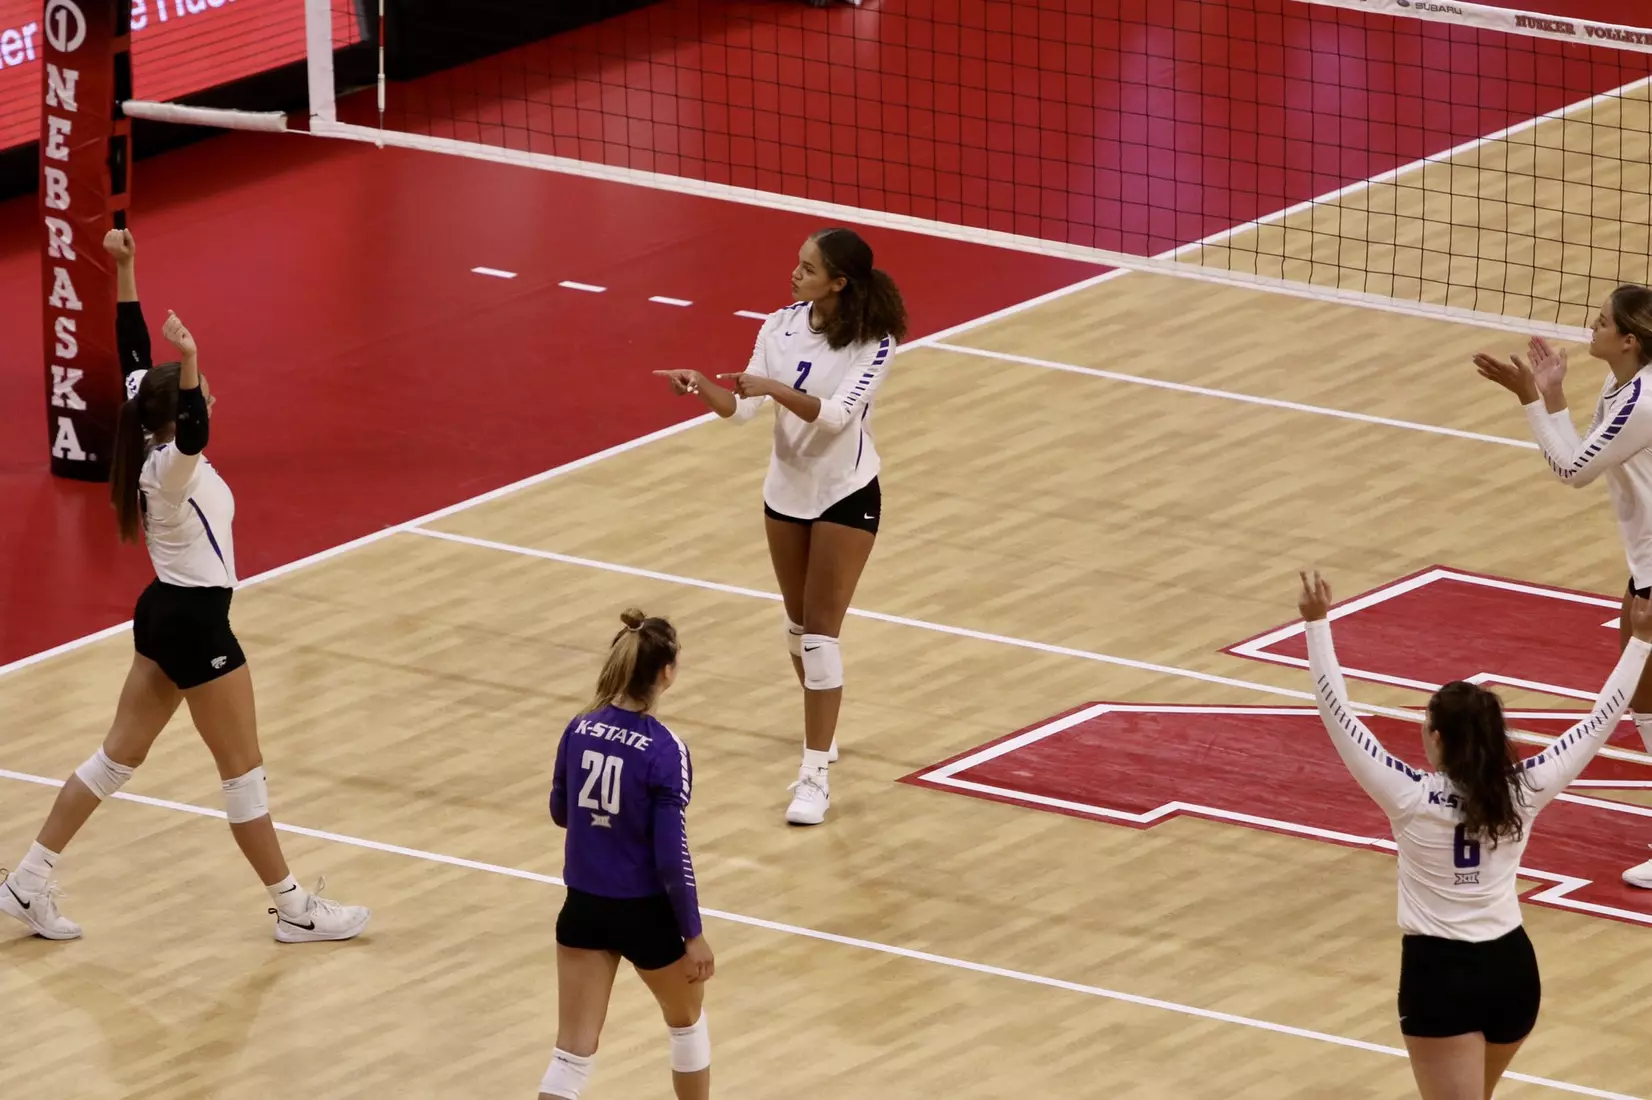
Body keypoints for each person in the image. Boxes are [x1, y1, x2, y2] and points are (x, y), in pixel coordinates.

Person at [0, 226, 369, 944]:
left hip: (161, 615)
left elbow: (133, 354)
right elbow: (194, 423)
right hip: (197, 626)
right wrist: (193, 357)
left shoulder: (146, 432)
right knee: (242, 774)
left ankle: (25, 883)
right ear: (180, 415)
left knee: (115, 759)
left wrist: (127, 268)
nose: (210, 396)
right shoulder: (174, 465)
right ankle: (295, 910)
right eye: (200, 392)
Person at [1298, 570, 1652, 1100]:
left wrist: (1317, 624)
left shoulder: (1409, 796)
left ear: (1436, 739)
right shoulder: (1524, 788)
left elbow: (1338, 714)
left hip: (1441, 977)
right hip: (1512, 971)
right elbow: (1600, 720)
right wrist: (1642, 641)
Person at [653, 227, 908, 826]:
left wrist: (773, 387)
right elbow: (742, 410)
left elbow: (838, 417)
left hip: (845, 494)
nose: (795, 274)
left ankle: (813, 775)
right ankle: (824, 727)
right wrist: (703, 387)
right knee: (796, 628)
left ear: (839, 283)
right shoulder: (780, 324)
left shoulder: (875, 341)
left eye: (808, 267)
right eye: (797, 263)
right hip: (786, 494)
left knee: (821, 635)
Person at [1473, 283, 1652, 887]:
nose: (1591, 328)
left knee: (1644, 688)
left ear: (1630, 340)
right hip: (1646, 565)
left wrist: (1530, 398)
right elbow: (1585, 450)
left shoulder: (1644, 400)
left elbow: (1572, 469)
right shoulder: (1621, 385)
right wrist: (1552, 394)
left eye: (1602, 323)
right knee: (1643, 694)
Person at [541, 609, 713, 1100]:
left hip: (584, 906)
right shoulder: (665, 749)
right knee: (687, 1024)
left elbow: (560, 810)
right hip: (644, 913)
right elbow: (670, 855)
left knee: (570, 1054)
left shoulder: (579, 727)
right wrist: (693, 935)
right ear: (666, 672)